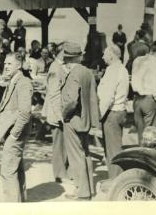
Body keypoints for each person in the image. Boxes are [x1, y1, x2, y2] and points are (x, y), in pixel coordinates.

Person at [61, 42, 100, 201]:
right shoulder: (87, 72)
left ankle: (82, 192)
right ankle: (89, 188)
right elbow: (93, 97)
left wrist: (64, 115)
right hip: (86, 119)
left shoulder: (73, 74)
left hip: (73, 119)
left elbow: (72, 101)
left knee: (76, 156)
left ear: (67, 58)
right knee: (85, 153)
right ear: (79, 57)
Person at [0, 52, 33, 202]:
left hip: (15, 134)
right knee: (16, 169)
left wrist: (13, 134)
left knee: (7, 172)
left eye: (9, 64)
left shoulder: (24, 82)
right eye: (5, 63)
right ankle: (21, 203)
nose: (5, 66)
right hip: (10, 132)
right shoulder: (13, 80)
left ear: (18, 65)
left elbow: (25, 113)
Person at [97, 45, 129, 179]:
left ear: (111, 55)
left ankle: (115, 181)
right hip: (120, 111)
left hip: (112, 113)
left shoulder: (113, 70)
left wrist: (98, 116)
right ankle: (115, 178)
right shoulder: (122, 69)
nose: (103, 57)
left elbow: (108, 97)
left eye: (105, 54)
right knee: (114, 148)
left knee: (113, 151)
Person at [41, 43, 69, 183]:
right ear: (61, 53)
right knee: (58, 143)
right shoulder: (55, 68)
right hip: (56, 111)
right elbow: (54, 94)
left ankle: (64, 169)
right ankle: (59, 173)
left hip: (60, 111)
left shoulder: (61, 66)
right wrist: (60, 115)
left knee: (63, 142)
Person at [131, 41, 156, 143]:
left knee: (141, 135)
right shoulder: (155, 64)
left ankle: (140, 154)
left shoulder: (137, 60)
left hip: (137, 100)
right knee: (150, 136)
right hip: (149, 100)